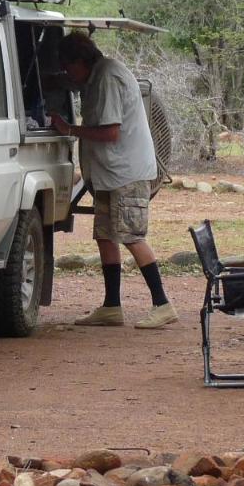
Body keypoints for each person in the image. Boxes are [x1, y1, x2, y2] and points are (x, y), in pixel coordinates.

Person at [49, 31, 177, 329]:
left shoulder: (107, 78)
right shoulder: (96, 76)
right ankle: (111, 306)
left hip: (126, 174)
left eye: (69, 67)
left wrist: (70, 129)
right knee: (105, 234)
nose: (69, 74)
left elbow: (110, 133)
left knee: (131, 235)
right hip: (109, 173)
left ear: (81, 60)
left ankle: (163, 303)